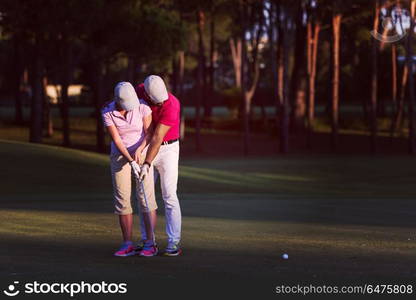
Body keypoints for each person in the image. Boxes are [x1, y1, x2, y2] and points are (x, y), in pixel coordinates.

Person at [102, 82, 158, 257]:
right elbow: (117, 141)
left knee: (145, 198)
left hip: (142, 153)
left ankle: (150, 243)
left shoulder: (142, 106)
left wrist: (140, 152)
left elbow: (149, 133)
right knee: (122, 199)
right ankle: (127, 244)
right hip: (119, 157)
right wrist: (130, 160)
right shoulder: (107, 111)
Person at [135, 75, 182, 256]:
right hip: (146, 145)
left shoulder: (172, 104)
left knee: (169, 194)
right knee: (143, 196)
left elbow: (157, 137)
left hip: (169, 149)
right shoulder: (139, 90)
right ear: (146, 94)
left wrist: (147, 163)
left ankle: (173, 242)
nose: (161, 104)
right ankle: (148, 240)